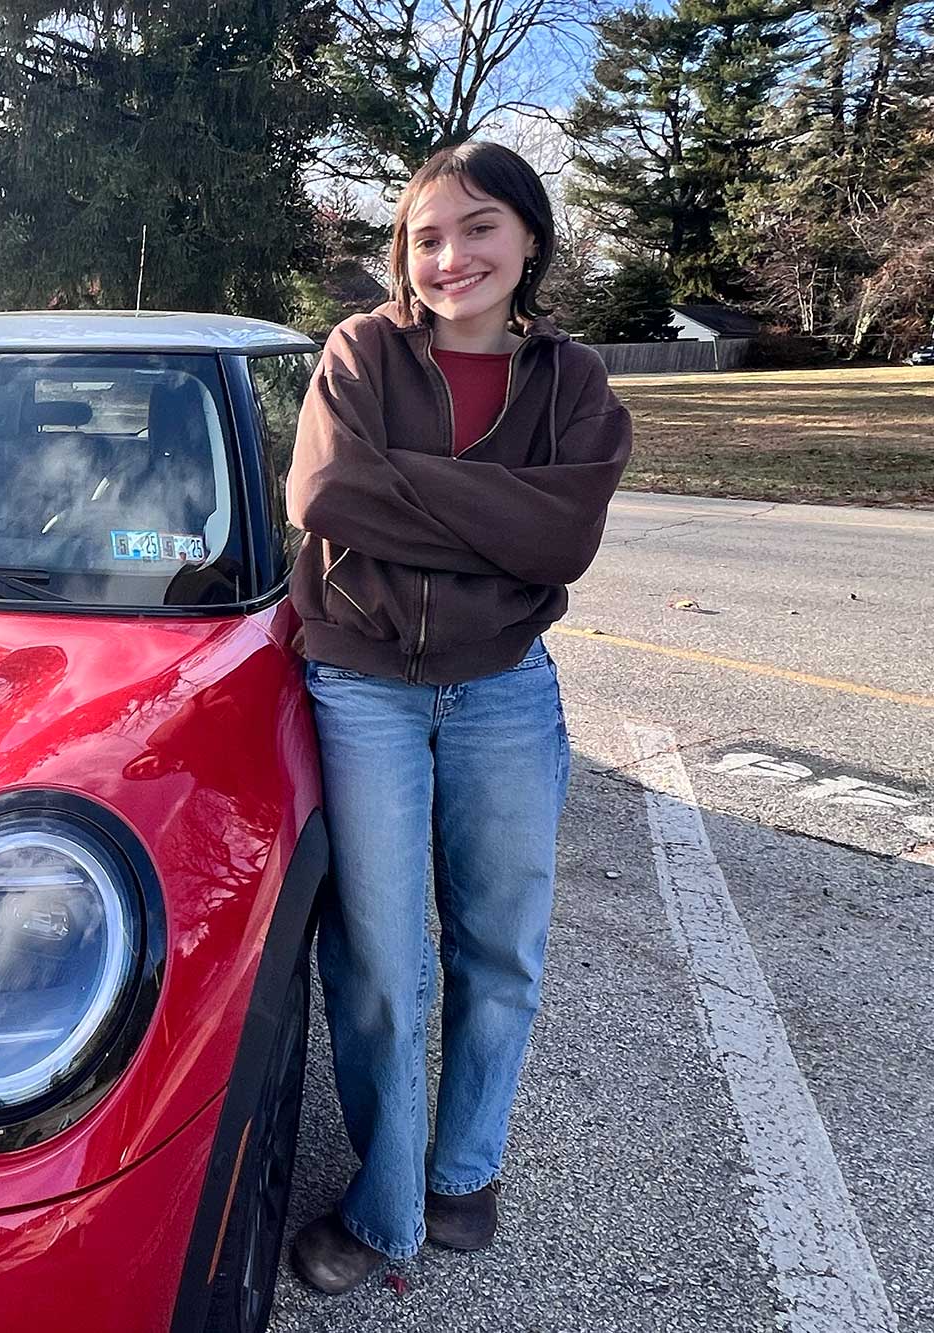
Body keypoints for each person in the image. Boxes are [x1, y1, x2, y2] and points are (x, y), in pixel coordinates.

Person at [282, 141, 633, 1294]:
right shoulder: (359, 351)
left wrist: (411, 495)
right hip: (364, 688)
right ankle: (382, 1207)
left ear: (529, 238)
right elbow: (326, 494)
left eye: (477, 227)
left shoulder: (570, 383)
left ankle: (463, 1171)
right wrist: (501, 515)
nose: (449, 256)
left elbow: (560, 540)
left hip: (500, 691)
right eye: (425, 235)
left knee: (498, 950)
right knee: (380, 962)